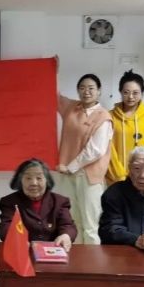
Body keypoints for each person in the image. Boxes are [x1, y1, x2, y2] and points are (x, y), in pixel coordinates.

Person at [55, 73, 112, 244]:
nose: (86, 91)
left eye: (91, 88)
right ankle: (76, 257)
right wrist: (53, 71)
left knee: (90, 225)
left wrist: (71, 166)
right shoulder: (71, 108)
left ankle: (92, 260)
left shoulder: (104, 117)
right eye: (82, 88)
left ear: (99, 91)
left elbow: (96, 150)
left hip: (89, 177)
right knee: (71, 221)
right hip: (67, 174)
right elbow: (54, 96)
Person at [0, 159, 77, 251]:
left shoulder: (60, 201)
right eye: (28, 178)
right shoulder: (9, 202)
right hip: (22, 252)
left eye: (39, 178)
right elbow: (6, 226)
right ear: (20, 181)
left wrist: (66, 236)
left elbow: (67, 225)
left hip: (52, 252)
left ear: (47, 180)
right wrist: (16, 239)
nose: (34, 183)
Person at [107, 70, 144, 185]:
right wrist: (119, 175)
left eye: (135, 93)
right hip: (114, 177)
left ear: (142, 93)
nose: (130, 97)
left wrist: (141, 173)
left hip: (142, 178)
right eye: (126, 92)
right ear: (120, 92)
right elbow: (108, 148)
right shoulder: (110, 116)